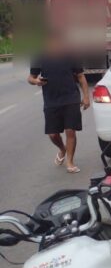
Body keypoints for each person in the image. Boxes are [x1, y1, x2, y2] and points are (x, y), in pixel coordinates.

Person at [28, 30, 90, 173]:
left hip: (70, 98)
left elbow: (80, 77)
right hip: (51, 100)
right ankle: (62, 149)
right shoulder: (39, 57)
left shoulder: (70, 55)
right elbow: (30, 78)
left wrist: (86, 97)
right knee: (53, 134)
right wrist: (36, 81)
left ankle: (70, 162)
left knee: (70, 131)